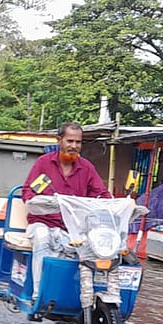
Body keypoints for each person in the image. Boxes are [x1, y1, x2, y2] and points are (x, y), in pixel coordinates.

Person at [20, 122, 111, 284]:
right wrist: (46, 202)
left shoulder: (87, 168)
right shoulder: (44, 163)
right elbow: (28, 193)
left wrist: (120, 206)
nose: (74, 146)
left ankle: (83, 293)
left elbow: (102, 194)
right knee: (42, 238)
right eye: (70, 141)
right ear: (59, 140)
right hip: (43, 223)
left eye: (78, 142)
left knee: (95, 248)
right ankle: (40, 292)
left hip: (74, 228)